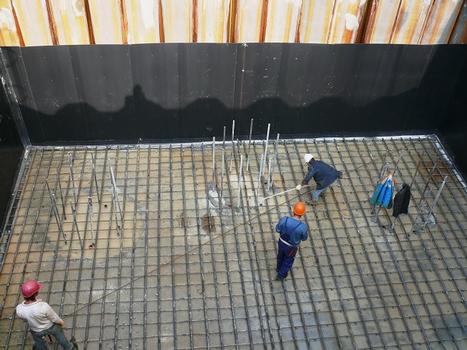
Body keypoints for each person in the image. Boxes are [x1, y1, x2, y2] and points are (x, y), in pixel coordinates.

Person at [16, 280, 78, 350]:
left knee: (38, 342)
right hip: (51, 327)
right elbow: (54, 318)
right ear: (36, 294)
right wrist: (61, 322)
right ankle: (69, 347)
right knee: (60, 336)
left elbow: (25, 319)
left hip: (36, 330)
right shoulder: (43, 306)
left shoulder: (19, 309)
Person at [275, 202, 308, 281]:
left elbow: (277, 229)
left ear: (293, 211)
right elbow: (304, 238)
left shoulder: (284, 219)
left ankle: (278, 268)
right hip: (291, 248)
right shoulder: (303, 227)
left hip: (282, 242)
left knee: (280, 256)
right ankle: (281, 275)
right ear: (302, 214)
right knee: (288, 260)